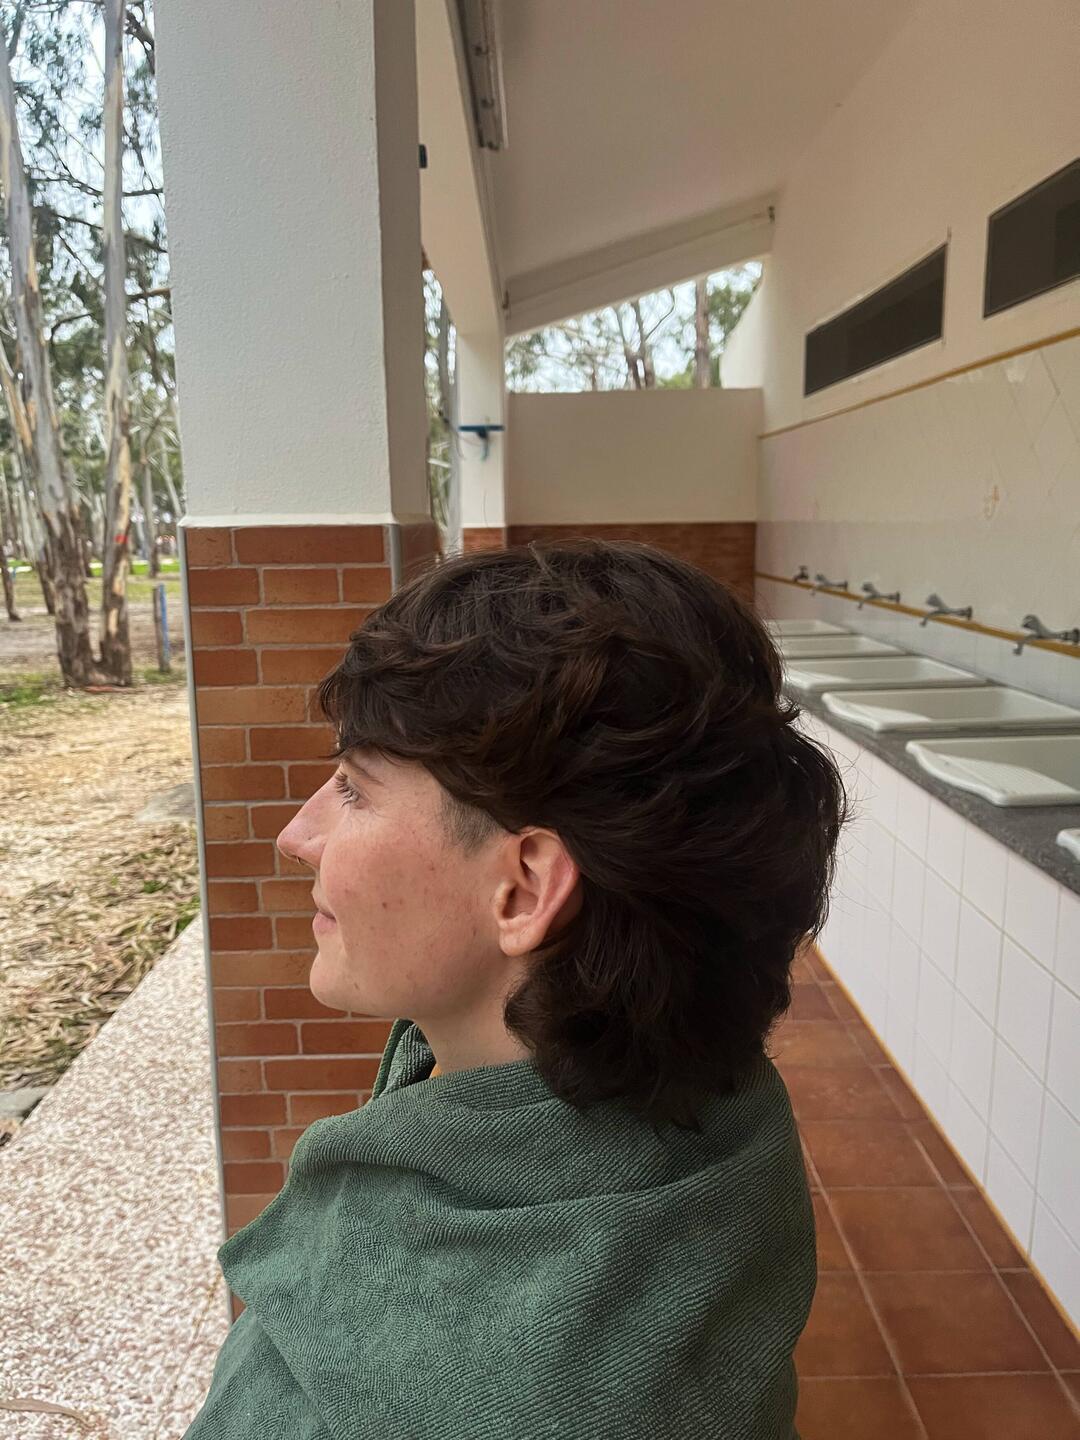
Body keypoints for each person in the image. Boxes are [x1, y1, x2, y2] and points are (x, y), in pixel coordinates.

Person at [183, 538, 850, 1439]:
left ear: (526, 888)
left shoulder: (468, 1399)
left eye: (354, 789)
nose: (298, 835)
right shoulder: (705, 1092)